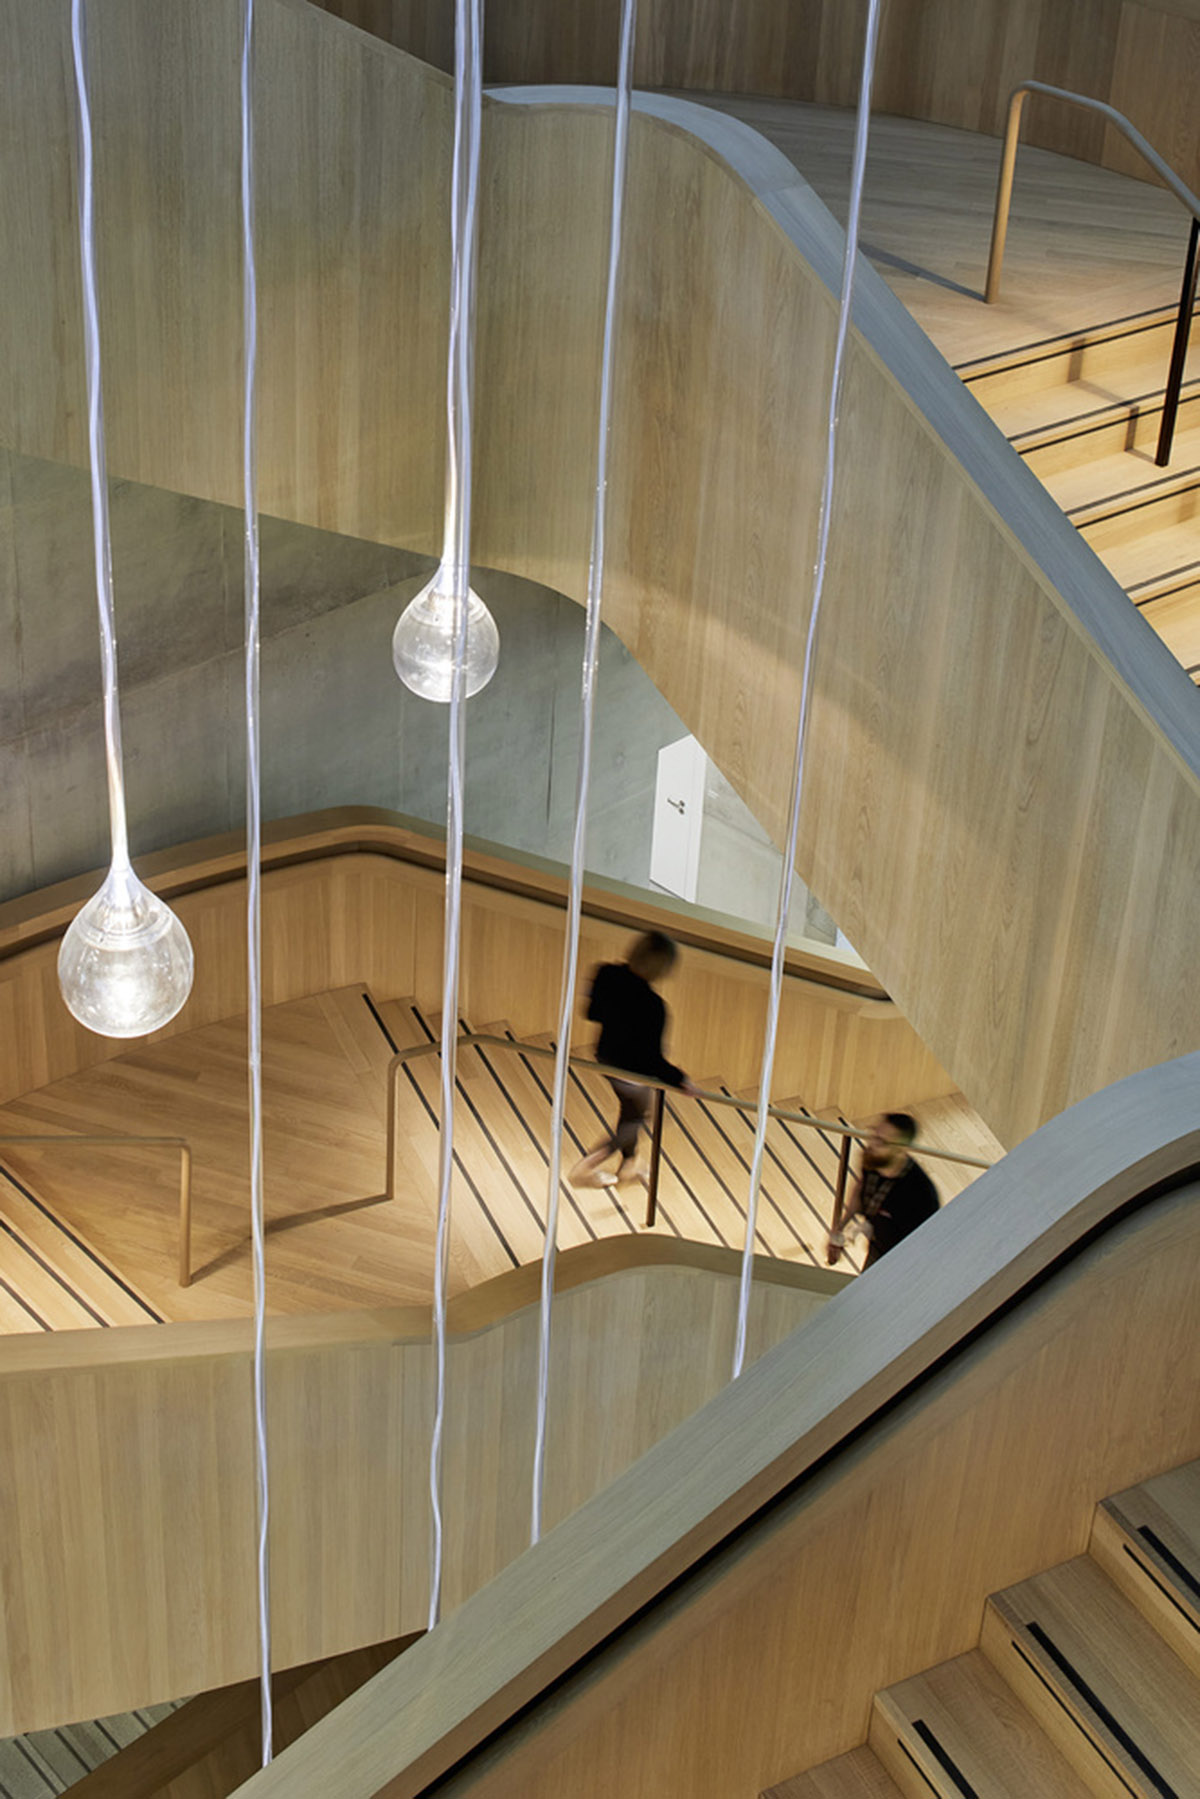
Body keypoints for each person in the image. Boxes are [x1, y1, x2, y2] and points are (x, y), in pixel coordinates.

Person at [569, 931, 695, 1189]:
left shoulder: (606, 973)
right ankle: (585, 1167)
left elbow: (591, 1013)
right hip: (632, 1072)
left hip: (604, 1056)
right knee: (635, 1118)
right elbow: (653, 1060)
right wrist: (681, 1079)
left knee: (631, 1110)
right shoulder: (654, 1006)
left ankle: (629, 1165)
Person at [826, 1112, 938, 1267]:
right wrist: (839, 1229)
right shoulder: (875, 1160)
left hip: (901, 1261)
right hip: (877, 1246)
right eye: (873, 1134)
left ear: (901, 1149)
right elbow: (861, 1188)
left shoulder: (921, 1195)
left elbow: (924, 1245)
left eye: (881, 1141)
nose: (871, 1143)